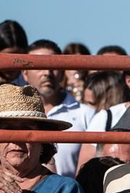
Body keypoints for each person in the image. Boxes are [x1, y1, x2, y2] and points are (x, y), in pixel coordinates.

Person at [21, 39, 95, 178]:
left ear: (62, 72)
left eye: (53, 66)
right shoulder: (13, 116)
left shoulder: (87, 115)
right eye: (39, 66)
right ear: (25, 73)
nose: (46, 73)